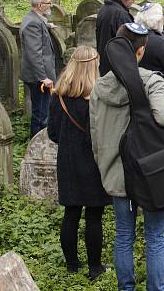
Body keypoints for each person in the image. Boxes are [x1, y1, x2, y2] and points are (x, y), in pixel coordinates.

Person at [90, 23, 164, 291]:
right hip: (150, 172)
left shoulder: (99, 87)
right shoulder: (150, 80)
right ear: (140, 52)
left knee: (124, 236)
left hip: (117, 172)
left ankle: (125, 288)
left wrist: (104, 165)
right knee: (155, 236)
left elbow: (95, 133)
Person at [47, 46, 110, 281]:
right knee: (94, 216)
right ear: (94, 65)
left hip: (68, 161)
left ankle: (72, 266)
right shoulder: (99, 96)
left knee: (71, 213)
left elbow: (52, 132)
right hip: (94, 162)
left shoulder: (59, 95)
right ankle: (95, 268)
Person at [20, 0, 57, 137]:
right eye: (49, 2)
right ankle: (37, 145)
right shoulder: (33, 24)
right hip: (39, 79)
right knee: (41, 115)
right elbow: (34, 53)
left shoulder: (34, 18)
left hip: (39, 76)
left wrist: (47, 26)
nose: (51, 4)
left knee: (41, 111)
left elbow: (37, 26)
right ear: (40, 5)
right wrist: (43, 77)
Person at [96, 0, 140, 76]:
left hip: (104, 61)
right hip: (116, 67)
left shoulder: (105, 7)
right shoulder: (120, 15)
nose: (135, 0)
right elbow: (130, 42)